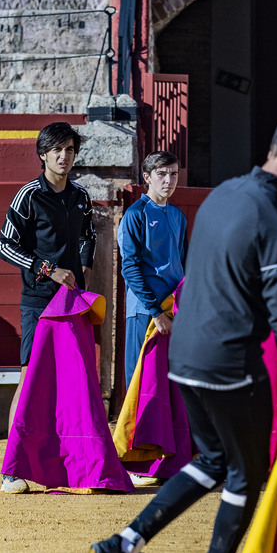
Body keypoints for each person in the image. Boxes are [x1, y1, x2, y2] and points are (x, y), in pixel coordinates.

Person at [89, 111, 277, 553]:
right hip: (230, 361)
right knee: (247, 472)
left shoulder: (222, 195)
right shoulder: (275, 219)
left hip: (186, 354)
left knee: (212, 462)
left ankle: (125, 543)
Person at [0, 122, 96, 494]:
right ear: (42, 154)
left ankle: (79, 461)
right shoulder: (28, 196)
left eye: (70, 149)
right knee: (30, 376)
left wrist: (84, 265)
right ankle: (12, 467)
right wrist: (48, 269)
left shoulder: (81, 195)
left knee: (76, 378)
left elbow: (89, 234)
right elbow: (4, 246)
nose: (64, 156)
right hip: (39, 299)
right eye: (57, 149)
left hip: (73, 300)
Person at [117, 151, 187, 385]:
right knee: (141, 379)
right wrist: (155, 312)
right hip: (146, 311)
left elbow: (182, 266)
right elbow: (130, 268)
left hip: (173, 309)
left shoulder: (178, 216)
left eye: (174, 174)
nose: (169, 180)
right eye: (162, 174)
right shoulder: (136, 214)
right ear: (147, 177)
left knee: (169, 382)